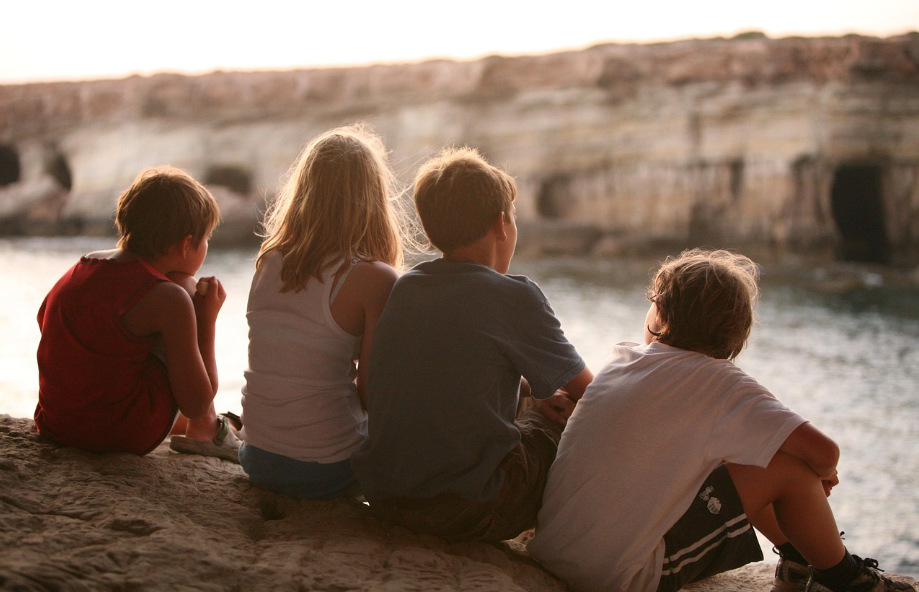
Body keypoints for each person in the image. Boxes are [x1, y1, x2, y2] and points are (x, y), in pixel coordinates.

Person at [528, 249, 914, 592]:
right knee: (791, 470)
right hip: (619, 577)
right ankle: (846, 578)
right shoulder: (721, 383)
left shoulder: (622, 360)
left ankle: (798, 561)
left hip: (556, 547)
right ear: (736, 335)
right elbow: (825, 451)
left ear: (659, 313)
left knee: (743, 452)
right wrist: (821, 476)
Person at [351, 147, 594, 541]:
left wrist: (530, 388)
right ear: (502, 224)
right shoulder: (515, 297)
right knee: (556, 425)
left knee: (532, 405)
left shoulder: (407, 287)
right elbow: (595, 394)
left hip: (385, 497)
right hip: (464, 511)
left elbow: (448, 371)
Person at [238, 124, 407, 499]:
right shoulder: (373, 278)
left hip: (257, 457)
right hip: (329, 469)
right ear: (373, 198)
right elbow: (372, 393)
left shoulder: (269, 260)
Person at [35, 166, 239, 461]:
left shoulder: (82, 266)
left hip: (57, 424)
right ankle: (209, 431)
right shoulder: (170, 298)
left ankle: (200, 426)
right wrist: (206, 319)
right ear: (185, 245)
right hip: (118, 434)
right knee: (185, 288)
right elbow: (197, 403)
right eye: (206, 238)